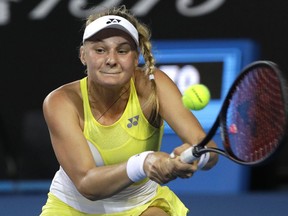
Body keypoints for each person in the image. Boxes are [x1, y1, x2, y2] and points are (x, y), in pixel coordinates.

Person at [40, 5, 218, 216]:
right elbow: (87, 183)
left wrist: (195, 156)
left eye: (122, 50)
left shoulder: (154, 85)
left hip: (141, 205)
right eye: (100, 50)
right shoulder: (60, 102)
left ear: (136, 58)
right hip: (73, 207)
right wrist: (144, 162)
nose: (111, 59)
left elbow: (205, 146)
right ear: (83, 55)